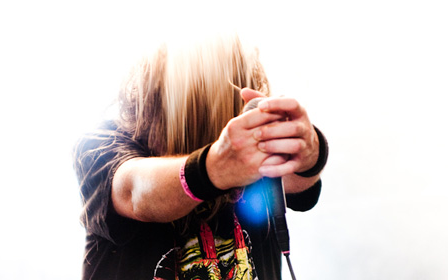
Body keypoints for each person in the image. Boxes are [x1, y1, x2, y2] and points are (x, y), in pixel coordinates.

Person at [74, 34, 328, 280]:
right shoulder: (102, 143)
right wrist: (214, 168)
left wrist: (309, 150)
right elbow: (135, 192)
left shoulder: (249, 145)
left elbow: (298, 183)